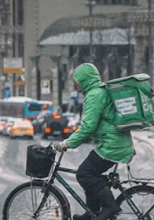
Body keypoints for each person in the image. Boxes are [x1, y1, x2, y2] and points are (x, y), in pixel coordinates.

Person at [55, 63, 134, 220]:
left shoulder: (95, 95)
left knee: (84, 174)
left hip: (112, 145)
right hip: (111, 143)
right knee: (89, 175)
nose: (76, 85)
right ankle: (91, 212)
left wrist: (68, 143)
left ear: (84, 80)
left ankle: (110, 207)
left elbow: (88, 127)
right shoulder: (98, 92)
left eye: (77, 81)